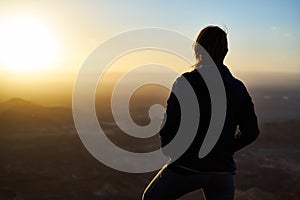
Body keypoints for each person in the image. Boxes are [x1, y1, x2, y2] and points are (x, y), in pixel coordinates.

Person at [142, 25, 260, 200]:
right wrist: (224, 148)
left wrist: (172, 151)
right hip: (223, 171)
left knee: (151, 198)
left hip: (187, 166)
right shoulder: (237, 87)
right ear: (225, 51)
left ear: (197, 49)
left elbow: (169, 127)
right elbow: (251, 131)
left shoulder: (186, 83)